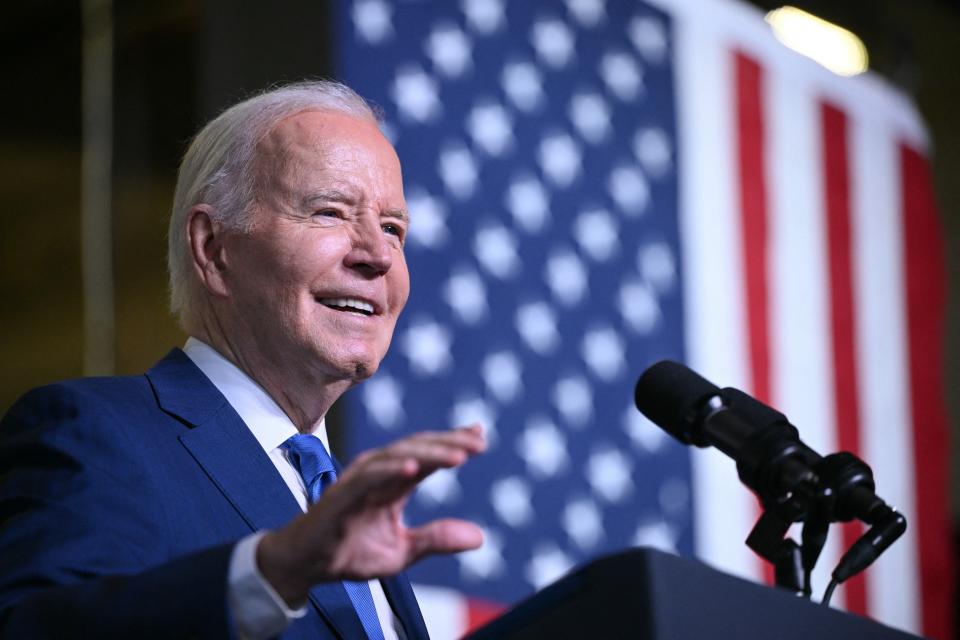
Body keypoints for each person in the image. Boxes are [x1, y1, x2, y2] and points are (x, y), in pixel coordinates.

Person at [0, 80, 487, 639]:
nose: (378, 256)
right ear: (212, 248)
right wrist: (271, 572)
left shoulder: (341, 504)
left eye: (394, 229)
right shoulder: (97, 436)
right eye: (330, 212)